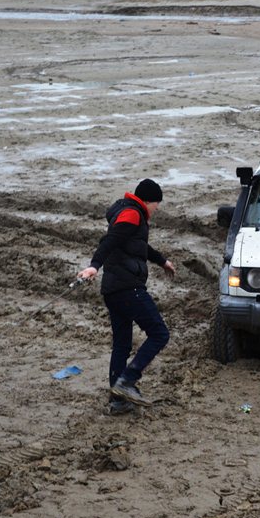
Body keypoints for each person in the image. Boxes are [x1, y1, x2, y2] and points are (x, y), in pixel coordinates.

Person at [77, 178, 176, 415]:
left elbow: (140, 246)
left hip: (113, 290)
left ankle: (117, 401)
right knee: (160, 333)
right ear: (147, 201)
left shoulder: (130, 213)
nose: (158, 208)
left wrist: (162, 261)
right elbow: (109, 241)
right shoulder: (132, 214)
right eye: (156, 203)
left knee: (121, 345)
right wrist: (94, 266)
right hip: (127, 287)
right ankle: (127, 381)